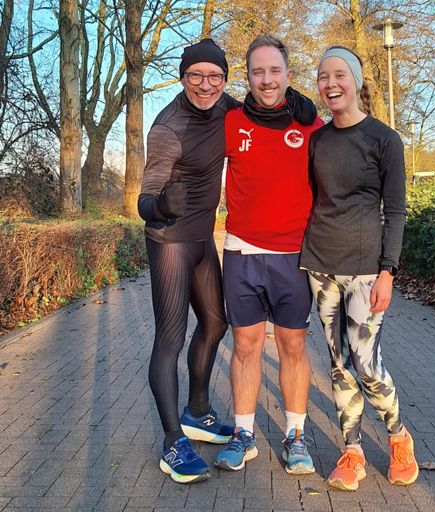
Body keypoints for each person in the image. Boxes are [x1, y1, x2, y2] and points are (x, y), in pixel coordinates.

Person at [300, 46, 419, 491]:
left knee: (366, 363)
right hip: (321, 265)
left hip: (367, 270)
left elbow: (396, 211)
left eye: (339, 75)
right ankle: (352, 451)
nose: (330, 84)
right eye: (322, 77)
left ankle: (398, 436)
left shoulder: (385, 140)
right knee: (338, 364)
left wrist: (389, 271)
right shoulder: (317, 140)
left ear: (356, 80)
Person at [214, 35, 323, 475]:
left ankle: (295, 435)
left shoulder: (311, 126)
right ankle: (244, 435)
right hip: (241, 253)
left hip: (293, 257)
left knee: (293, 345)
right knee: (245, 345)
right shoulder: (231, 122)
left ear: (288, 75)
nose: (266, 79)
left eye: (274, 70)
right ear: (248, 77)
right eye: (258, 71)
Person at [137, 38, 240, 484]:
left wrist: (295, 103)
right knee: (171, 338)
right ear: (182, 78)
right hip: (171, 240)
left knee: (216, 323)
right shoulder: (168, 127)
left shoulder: (227, 106)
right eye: (195, 75)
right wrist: (160, 206)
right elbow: (144, 199)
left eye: (214, 76)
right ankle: (172, 442)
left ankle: (198, 411)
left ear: (224, 80)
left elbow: (264, 111)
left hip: (202, 239)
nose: (205, 84)